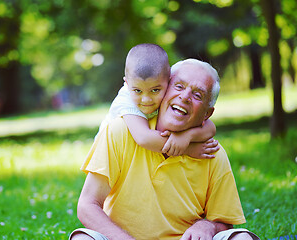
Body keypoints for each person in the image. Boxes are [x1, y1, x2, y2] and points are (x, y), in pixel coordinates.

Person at [70, 59, 261, 240]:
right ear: (162, 90)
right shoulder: (121, 130)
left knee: (242, 238)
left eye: (197, 95)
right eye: (179, 86)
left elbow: (225, 223)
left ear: (207, 114)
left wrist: (208, 225)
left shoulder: (211, 152)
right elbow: (87, 206)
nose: (185, 96)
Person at [99, 43, 217, 157]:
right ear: (127, 83)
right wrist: (188, 149)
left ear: (169, 81)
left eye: (155, 90)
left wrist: (187, 136)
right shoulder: (126, 100)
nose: (146, 100)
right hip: (108, 154)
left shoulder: (162, 88)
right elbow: (144, 138)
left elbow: (210, 128)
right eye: (138, 91)